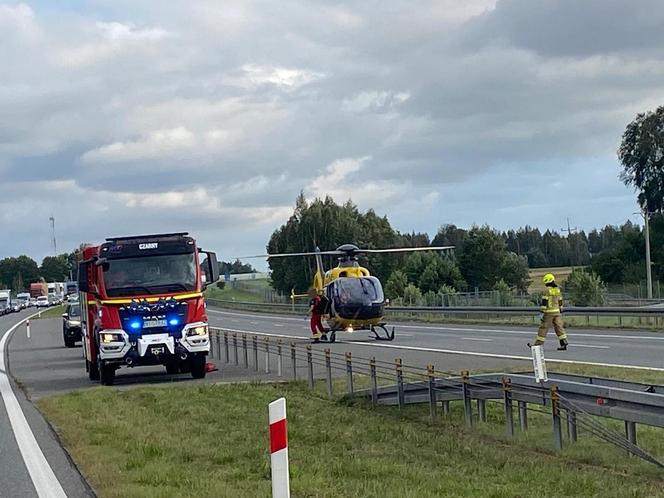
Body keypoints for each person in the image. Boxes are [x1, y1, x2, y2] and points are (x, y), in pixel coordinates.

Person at [528, 273, 569, 350]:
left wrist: (542, 311)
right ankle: (564, 342)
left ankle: (537, 345)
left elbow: (544, 302)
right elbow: (560, 300)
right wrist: (560, 308)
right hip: (557, 312)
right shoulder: (557, 290)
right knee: (558, 327)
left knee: (543, 328)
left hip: (549, 312)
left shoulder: (546, 291)